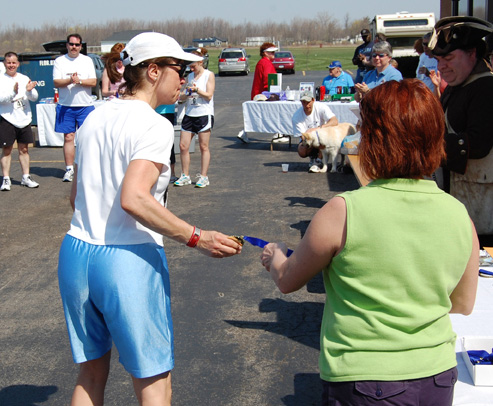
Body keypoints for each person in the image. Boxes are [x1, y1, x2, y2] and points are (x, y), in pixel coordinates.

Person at [261, 79, 479, 406]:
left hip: (365, 380)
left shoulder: (342, 211)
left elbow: (288, 280)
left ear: (376, 139)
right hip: (437, 376)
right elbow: (463, 304)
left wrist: (274, 255)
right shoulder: (459, 214)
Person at [57, 32, 242, 406]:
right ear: (154, 71)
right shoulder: (155, 124)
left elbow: (75, 196)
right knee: (154, 382)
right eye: (181, 70)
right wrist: (197, 237)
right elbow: (135, 198)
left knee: (91, 373)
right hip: (126, 260)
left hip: (77, 254)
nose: (187, 80)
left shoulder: (95, 114)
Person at [430, 16, 493, 245]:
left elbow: (477, 144)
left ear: (472, 54)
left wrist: (425, 146)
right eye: (438, 59)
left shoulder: (486, 88)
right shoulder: (457, 86)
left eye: (448, 57)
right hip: (461, 200)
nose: (441, 66)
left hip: (482, 213)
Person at [53, 33, 97, 182]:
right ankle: (69, 169)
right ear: (67, 45)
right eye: (71, 44)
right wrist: (69, 80)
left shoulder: (87, 60)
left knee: (87, 138)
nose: (74, 47)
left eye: (77, 45)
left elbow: (93, 82)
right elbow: (56, 82)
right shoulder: (60, 61)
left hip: (85, 105)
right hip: (66, 106)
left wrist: (79, 81)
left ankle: (87, 168)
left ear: (80, 46)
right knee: (68, 137)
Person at [174, 47, 215, 188]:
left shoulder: (209, 75)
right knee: (183, 145)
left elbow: (209, 95)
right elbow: (183, 96)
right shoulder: (190, 77)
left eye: (193, 66)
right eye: (190, 67)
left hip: (203, 113)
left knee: (204, 146)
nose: (191, 69)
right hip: (190, 113)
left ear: (200, 62)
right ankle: (185, 175)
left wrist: (197, 90)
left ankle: (204, 176)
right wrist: (186, 93)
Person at [0, 52, 39, 190]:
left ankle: (26, 177)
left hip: (24, 119)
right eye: (8, 62)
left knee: (24, 149)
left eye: (14, 62)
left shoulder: (24, 78)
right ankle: (5, 179)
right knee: (7, 149)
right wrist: (13, 93)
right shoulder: (1, 79)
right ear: (4, 63)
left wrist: (29, 91)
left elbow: (34, 97)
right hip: (7, 118)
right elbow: (1, 99)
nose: (11, 65)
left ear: (18, 64)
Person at [292, 90, 338, 173]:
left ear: (313, 100)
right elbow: (302, 136)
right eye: (304, 102)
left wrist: (317, 129)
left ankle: (318, 161)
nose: (307, 105)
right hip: (309, 139)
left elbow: (334, 121)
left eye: (308, 102)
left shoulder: (321, 107)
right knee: (302, 150)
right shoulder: (296, 116)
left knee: (321, 138)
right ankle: (314, 156)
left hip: (323, 136)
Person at [156, 103, 178, 182]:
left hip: (167, 112)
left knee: (168, 142)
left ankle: (172, 173)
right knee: (155, 144)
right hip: (153, 110)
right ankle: (156, 172)